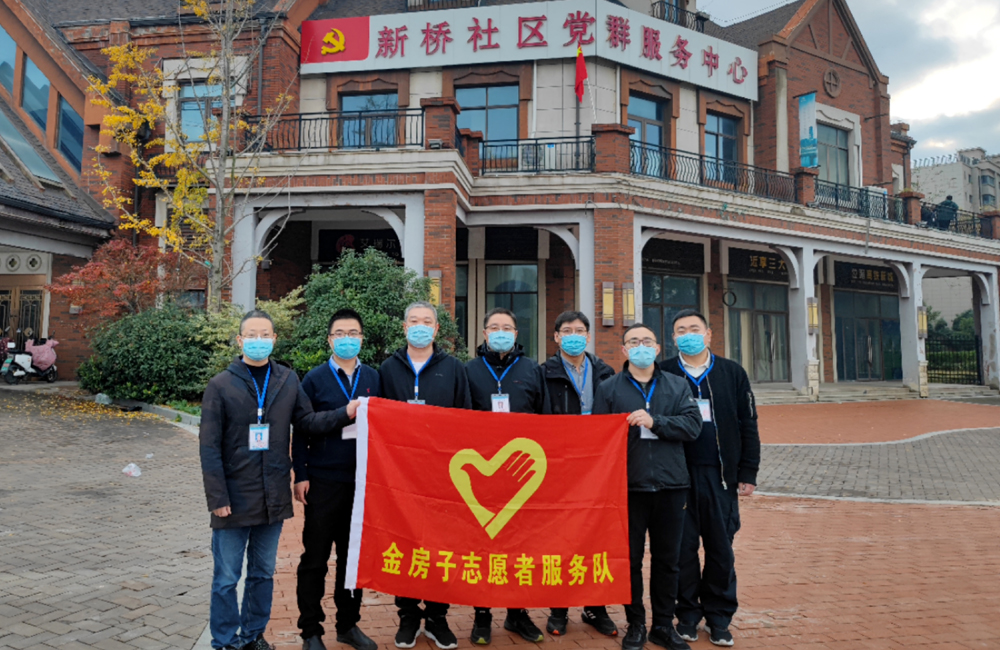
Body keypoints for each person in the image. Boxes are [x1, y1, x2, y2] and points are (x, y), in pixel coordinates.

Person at [200, 310, 344, 650]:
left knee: (262, 573)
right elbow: (209, 447)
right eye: (252, 334)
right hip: (234, 497)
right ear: (239, 340)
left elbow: (307, 421)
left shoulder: (287, 380)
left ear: (275, 339)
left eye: (265, 334)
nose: (259, 340)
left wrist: (346, 412)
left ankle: (253, 635)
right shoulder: (221, 385)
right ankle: (224, 641)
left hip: (272, 496)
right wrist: (217, 498)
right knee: (226, 578)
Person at [592, 323, 702, 650]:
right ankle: (636, 623)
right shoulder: (609, 388)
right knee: (630, 560)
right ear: (624, 350)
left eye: (646, 341)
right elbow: (599, 437)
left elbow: (692, 426)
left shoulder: (677, 384)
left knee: (669, 560)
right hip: (629, 488)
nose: (640, 346)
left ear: (657, 348)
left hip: (672, 485)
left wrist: (656, 422)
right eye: (633, 341)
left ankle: (663, 625)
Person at [661, 310, 760, 648]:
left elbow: (748, 424)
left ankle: (719, 617)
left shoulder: (732, 373)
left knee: (721, 549)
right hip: (678, 476)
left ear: (708, 334)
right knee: (682, 549)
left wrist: (748, 472)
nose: (688, 334)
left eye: (694, 329)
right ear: (673, 338)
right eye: (681, 330)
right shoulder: (664, 372)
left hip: (720, 478)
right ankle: (687, 615)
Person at [379, 301, 471, 650]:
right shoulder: (388, 368)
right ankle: (407, 616)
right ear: (404, 328)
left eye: (427, 321)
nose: (420, 326)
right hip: (400, 475)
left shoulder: (454, 369)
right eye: (414, 321)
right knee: (404, 544)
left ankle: (436, 616)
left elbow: (465, 419)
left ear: (436, 329)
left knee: (441, 545)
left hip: (442, 476)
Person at [294, 309, 381, 650]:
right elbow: (303, 427)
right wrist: (300, 474)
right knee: (315, 559)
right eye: (340, 333)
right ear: (330, 340)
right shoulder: (314, 379)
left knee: (352, 558)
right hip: (323, 480)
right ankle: (310, 631)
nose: (347, 339)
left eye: (353, 333)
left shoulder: (374, 376)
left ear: (362, 338)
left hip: (361, 483)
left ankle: (348, 625)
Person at [465, 308, 547, 646]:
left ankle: (517, 612)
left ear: (516, 333)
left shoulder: (532, 370)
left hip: (521, 476)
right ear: (485, 333)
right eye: (494, 327)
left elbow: (544, 418)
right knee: (482, 546)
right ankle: (482, 614)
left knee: (520, 547)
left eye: (507, 327)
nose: (501, 332)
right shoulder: (469, 370)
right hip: (482, 474)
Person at [541, 311, 618, 639]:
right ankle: (558, 608)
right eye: (567, 331)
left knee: (597, 535)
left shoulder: (605, 372)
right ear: (556, 337)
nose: (574, 336)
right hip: (560, 467)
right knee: (559, 536)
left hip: (598, 466)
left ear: (588, 335)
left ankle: (595, 606)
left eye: (580, 330)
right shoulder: (543, 373)